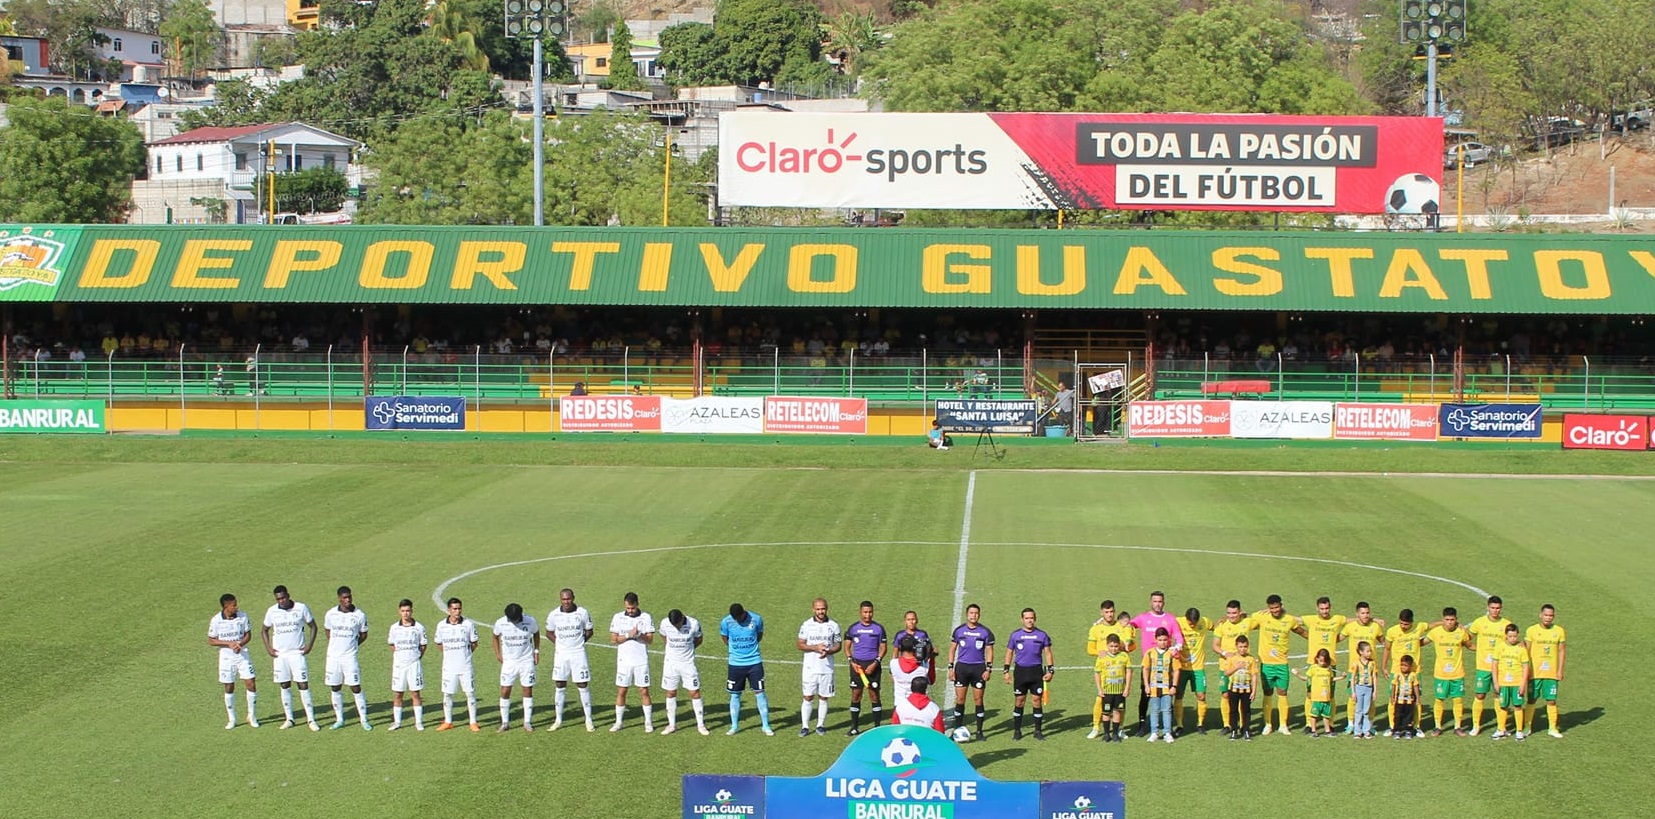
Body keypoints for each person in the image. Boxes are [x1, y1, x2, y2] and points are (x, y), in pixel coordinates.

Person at [261, 584, 320, 731]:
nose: (281, 601)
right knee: (284, 685)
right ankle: (289, 718)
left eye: (283, 598)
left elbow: (313, 626)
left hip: (296, 654)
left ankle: (311, 720)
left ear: (288, 595)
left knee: (303, 684)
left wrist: (309, 646)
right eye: (278, 599)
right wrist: (268, 648)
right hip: (280, 655)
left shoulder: (301, 608)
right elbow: (264, 630)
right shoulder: (272, 611)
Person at [1128, 592, 1183, 735]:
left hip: (1165, 664)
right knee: (1145, 694)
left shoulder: (1170, 619)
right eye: (1155, 601)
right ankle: (1142, 724)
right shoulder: (1143, 618)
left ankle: (1167, 727)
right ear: (1150, 602)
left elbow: (1178, 636)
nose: (1157, 604)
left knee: (1166, 694)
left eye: (1160, 601)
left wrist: (1177, 647)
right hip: (1148, 664)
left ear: (1163, 602)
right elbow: (1128, 625)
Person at [1085, 600, 1137, 738]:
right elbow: (1089, 649)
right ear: (1101, 613)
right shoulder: (1095, 629)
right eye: (1106, 612)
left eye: (1112, 611)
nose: (1109, 614)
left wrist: (1125, 646)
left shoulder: (1122, 626)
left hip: (1119, 668)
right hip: (1104, 670)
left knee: (1120, 702)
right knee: (1100, 699)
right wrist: (1098, 653)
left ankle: (1120, 728)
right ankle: (1096, 727)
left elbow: (1132, 647)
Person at [322, 585, 371, 731]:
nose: (348, 599)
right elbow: (327, 630)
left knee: (355, 687)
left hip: (349, 657)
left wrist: (353, 645)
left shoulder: (359, 615)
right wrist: (335, 645)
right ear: (339, 599)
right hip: (333, 657)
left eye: (349, 596)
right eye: (345, 597)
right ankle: (339, 719)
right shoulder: (331, 614)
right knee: (335, 687)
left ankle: (364, 719)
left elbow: (363, 634)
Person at [546, 588, 595, 732]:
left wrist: (580, 641)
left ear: (573, 598)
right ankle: (558, 719)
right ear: (560, 599)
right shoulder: (554, 614)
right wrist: (559, 643)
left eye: (568, 599)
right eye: (563, 599)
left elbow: (589, 630)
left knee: (582, 684)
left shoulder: (582, 612)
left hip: (578, 653)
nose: (566, 602)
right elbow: (549, 632)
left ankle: (589, 719)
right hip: (561, 654)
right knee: (560, 684)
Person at [720, 602, 773, 736]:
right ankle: (734, 726)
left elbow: (759, 635)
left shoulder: (756, 619)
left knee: (760, 692)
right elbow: (725, 638)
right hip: (735, 664)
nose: (737, 620)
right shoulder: (726, 622)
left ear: (744, 612)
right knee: (735, 694)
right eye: (735, 618)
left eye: (739, 617)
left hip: (754, 662)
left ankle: (766, 725)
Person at [1294, 596, 1345, 734]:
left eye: (1327, 608)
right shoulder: (1310, 619)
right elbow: (1293, 620)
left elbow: (1353, 621)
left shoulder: (1337, 619)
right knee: (1310, 694)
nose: (1324, 611)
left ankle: (1331, 723)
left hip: (1330, 664)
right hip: (1313, 664)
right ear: (1317, 608)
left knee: (1330, 696)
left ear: (1330, 607)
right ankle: (1309, 724)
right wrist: (1273, 612)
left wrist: (1373, 620)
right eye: (1322, 608)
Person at [207, 593, 258, 730]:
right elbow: (211, 640)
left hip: (242, 655)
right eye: (233, 605)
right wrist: (228, 644)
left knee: (251, 683)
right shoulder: (216, 620)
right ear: (226, 606)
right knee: (229, 686)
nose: (236, 607)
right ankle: (232, 719)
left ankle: (252, 716)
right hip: (226, 657)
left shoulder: (243, 616)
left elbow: (248, 635)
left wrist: (240, 643)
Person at [1252, 594, 1300, 735]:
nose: (1275, 610)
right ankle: (1268, 724)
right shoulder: (1261, 616)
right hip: (1266, 664)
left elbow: (1301, 631)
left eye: (1277, 607)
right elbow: (1243, 618)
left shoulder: (1289, 620)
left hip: (1282, 664)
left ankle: (1283, 725)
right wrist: (1225, 618)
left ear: (1281, 605)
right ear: (1268, 608)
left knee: (1282, 693)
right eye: (1272, 608)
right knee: (1268, 693)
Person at [1003, 607, 1053, 741]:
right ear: (1022, 619)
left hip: (1036, 672)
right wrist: (1006, 671)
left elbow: (1047, 653)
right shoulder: (1015, 635)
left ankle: (1038, 731)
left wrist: (1051, 670)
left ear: (1035, 619)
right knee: (1019, 701)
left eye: (1031, 618)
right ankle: (1017, 730)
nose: (1029, 620)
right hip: (1020, 672)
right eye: (1027, 618)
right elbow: (1009, 652)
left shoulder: (1042, 635)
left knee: (1037, 701)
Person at [609, 591, 656, 733]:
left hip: (640, 660)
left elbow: (650, 640)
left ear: (637, 604)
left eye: (632, 608)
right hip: (624, 661)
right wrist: (629, 635)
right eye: (628, 608)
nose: (630, 611)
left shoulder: (646, 617)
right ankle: (618, 722)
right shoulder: (618, 617)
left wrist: (639, 634)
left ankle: (648, 722)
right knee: (622, 690)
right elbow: (613, 640)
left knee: (643, 690)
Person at [660, 608, 711, 736]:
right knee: (670, 692)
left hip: (687, 664)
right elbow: (663, 636)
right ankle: (672, 725)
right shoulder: (665, 623)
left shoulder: (693, 624)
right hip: (670, 664)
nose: (676, 628)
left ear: (682, 618)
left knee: (694, 692)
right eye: (674, 625)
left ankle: (701, 725)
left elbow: (699, 639)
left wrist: (689, 649)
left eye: (677, 625)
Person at [947, 603, 994, 740]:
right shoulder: (959, 631)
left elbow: (990, 651)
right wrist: (950, 668)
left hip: (978, 668)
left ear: (979, 615)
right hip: (962, 668)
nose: (974, 615)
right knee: (960, 699)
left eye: (976, 613)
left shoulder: (985, 632)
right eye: (971, 613)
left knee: (978, 700)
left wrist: (988, 669)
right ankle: (956, 730)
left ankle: (979, 731)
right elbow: (952, 649)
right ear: (967, 614)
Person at [1424, 606, 1473, 737]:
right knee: (1439, 699)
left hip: (1457, 673)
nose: (1449, 622)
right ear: (1443, 619)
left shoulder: (1461, 633)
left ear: (1456, 620)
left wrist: (1486, 650)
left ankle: (1458, 727)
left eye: (1452, 619)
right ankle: (1437, 727)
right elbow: (1422, 642)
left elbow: (1470, 646)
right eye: (1447, 619)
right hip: (1441, 674)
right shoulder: (1436, 632)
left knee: (1457, 700)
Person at [796, 598, 842, 737]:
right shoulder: (806, 625)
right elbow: (800, 644)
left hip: (826, 668)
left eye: (823, 609)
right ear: (813, 609)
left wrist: (829, 651)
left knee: (824, 697)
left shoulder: (834, 626)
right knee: (808, 696)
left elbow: (838, 645)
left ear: (826, 609)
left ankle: (820, 725)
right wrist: (815, 648)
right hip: (810, 668)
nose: (820, 611)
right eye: (818, 609)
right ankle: (805, 726)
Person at [433, 597, 480, 732]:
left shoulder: (468, 625)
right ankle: (448, 721)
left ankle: (473, 722)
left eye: (459, 608)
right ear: (449, 610)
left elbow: (474, 643)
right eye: (454, 609)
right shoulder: (441, 625)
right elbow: (439, 643)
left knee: (470, 693)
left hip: (465, 666)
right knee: (447, 694)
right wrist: (449, 655)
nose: (457, 611)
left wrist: (465, 655)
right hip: (449, 667)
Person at [491, 602, 539, 732]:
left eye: (515, 619)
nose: (513, 622)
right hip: (509, 662)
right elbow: (495, 636)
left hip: (526, 661)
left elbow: (536, 633)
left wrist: (536, 651)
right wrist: (498, 654)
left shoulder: (530, 621)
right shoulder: (501, 622)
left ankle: (527, 722)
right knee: (505, 690)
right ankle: (505, 722)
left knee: (527, 690)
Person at [1467, 595, 1510, 737]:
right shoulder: (1479, 622)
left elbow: (1511, 643)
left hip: (1500, 668)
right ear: (1488, 607)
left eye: (1498, 608)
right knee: (1480, 695)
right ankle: (1475, 726)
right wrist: (1475, 648)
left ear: (1501, 608)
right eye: (1492, 608)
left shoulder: (1506, 624)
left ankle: (1501, 727)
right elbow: (1467, 638)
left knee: (1499, 695)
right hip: (1483, 667)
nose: (1495, 611)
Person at [1339, 602, 1386, 734]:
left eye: (1367, 613)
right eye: (1363, 613)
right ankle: (1351, 724)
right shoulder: (1350, 627)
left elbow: (1385, 642)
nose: (1365, 615)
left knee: (1370, 699)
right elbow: (1337, 638)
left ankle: (1369, 725)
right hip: (1354, 669)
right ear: (1357, 614)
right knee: (1352, 698)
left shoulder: (1375, 627)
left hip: (1371, 670)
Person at [843, 601, 888, 736]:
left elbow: (883, 648)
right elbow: (846, 647)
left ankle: (877, 727)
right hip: (857, 666)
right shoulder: (853, 628)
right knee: (856, 695)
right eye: (865, 612)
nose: (868, 615)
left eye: (870, 612)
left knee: (874, 695)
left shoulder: (879, 629)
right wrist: (852, 662)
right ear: (860, 612)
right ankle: (854, 727)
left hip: (873, 665)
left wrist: (876, 663)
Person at [1209, 600, 1253, 734]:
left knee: (1242, 694)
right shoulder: (1221, 626)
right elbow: (1215, 645)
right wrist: (1224, 653)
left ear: (1239, 612)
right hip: (1225, 667)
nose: (1231, 616)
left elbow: (1262, 620)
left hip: (1243, 668)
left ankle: (1242, 725)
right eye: (1228, 613)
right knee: (1225, 694)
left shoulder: (1247, 622)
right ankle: (1227, 725)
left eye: (1234, 613)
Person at [1383, 608, 1428, 736]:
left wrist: (1448, 623)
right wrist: (1384, 666)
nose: (1403, 626)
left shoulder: (1419, 628)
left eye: (1406, 624)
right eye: (1401, 623)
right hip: (1396, 670)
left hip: (1415, 671)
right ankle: (1392, 726)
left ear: (1412, 622)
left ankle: (1417, 726)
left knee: (1415, 698)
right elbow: (1387, 649)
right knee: (1393, 698)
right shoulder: (1392, 631)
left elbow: (1433, 625)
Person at [1524, 604, 1567, 738]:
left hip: (1551, 673)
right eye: (1546, 615)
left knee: (1551, 700)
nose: (1548, 618)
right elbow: (1526, 650)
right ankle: (1527, 727)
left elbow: (1561, 651)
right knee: (1531, 700)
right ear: (1540, 615)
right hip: (1535, 673)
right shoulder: (1531, 630)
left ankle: (1553, 728)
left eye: (1551, 615)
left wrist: (1560, 670)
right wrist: (1526, 671)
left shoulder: (1559, 631)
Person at [386, 599, 428, 731]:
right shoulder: (394, 628)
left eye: (408, 611)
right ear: (399, 611)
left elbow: (423, 645)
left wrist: (416, 656)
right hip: (399, 666)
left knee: (415, 693)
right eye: (403, 611)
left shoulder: (419, 627)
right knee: (398, 693)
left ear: (412, 611)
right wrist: (400, 656)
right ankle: (397, 722)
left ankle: (418, 722)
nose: (405, 614)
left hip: (414, 664)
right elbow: (392, 644)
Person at [1490, 623, 1531, 741]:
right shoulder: (1499, 647)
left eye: (1515, 636)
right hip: (1503, 683)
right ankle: (1501, 729)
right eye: (1510, 636)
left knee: (1517, 706)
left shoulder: (1521, 650)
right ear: (1506, 636)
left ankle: (1519, 731)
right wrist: (1496, 682)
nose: (1513, 639)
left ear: (1518, 635)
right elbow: (1494, 666)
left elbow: (1525, 667)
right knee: (1503, 706)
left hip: (1517, 683)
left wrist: (1523, 684)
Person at [1175, 607, 1212, 735]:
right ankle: (1179, 725)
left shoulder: (1204, 622)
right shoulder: (1178, 622)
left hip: (1198, 668)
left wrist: (1224, 619)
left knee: (1201, 695)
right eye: (1190, 623)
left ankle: (1200, 724)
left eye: (1195, 623)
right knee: (1178, 695)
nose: (1193, 625)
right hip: (1181, 667)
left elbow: (1217, 626)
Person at [1090, 633, 1132, 742]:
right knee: (1106, 712)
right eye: (1111, 646)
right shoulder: (1102, 657)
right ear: (1107, 645)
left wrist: (1127, 688)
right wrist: (1099, 689)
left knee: (1117, 711)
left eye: (1116, 646)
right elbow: (1097, 673)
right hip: (1107, 690)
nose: (1113, 649)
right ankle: (1106, 734)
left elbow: (1128, 671)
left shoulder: (1124, 656)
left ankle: (1115, 734)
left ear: (1119, 645)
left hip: (1119, 691)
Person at [1292, 649, 1343, 737]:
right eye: (1320, 660)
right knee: (1314, 715)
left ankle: (1327, 731)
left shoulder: (1328, 669)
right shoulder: (1313, 668)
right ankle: (1313, 731)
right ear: (1317, 658)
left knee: (1326, 716)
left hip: (1326, 698)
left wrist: (1341, 677)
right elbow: (1306, 679)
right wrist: (1297, 674)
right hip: (1316, 698)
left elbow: (1331, 679)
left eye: (1324, 661)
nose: (1322, 663)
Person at [1142, 627, 1180, 743]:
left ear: (1168, 640)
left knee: (1167, 710)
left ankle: (1167, 732)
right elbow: (1145, 669)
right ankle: (1154, 732)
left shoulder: (1172, 653)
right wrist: (1146, 685)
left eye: (1165, 640)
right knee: (1154, 710)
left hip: (1167, 688)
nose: (1162, 642)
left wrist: (1174, 686)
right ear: (1155, 639)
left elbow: (1177, 670)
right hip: (1153, 687)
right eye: (1160, 640)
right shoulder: (1149, 653)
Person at [1221, 635, 1261, 740]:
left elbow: (1254, 676)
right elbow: (1226, 673)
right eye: (1240, 646)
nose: (1242, 649)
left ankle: (1246, 730)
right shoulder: (1232, 659)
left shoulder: (1251, 659)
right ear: (1236, 646)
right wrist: (1236, 667)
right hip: (1233, 689)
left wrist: (1254, 691)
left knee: (1246, 710)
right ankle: (1234, 730)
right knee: (1233, 710)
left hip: (1246, 689)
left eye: (1245, 646)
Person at [1349, 641, 1380, 739]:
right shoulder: (1356, 663)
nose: (1369, 653)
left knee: (1366, 710)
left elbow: (1374, 677)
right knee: (1358, 710)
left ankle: (1366, 730)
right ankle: (1357, 731)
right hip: (1359, 687)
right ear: (1360, 652)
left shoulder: (1372, 663)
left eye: (1370, 651)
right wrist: (1353, 692)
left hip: (1369, 688)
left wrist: (1375, 691)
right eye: (1367, 651)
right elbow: (1353, 678)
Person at [1392, 655, 1422, 739]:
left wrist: (1418, 698)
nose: (1403, 667)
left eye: (1405, 665)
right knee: (1398, 715)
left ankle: (1408, 731)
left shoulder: (1413, 675)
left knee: (1409, 716)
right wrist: (1392, 697)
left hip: (1409, 700)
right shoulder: (1398, 674)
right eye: (1402, 665)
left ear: (1410, 666)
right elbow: (1394, 685)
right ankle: (1397, 731)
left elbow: (1415, 686)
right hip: (1399, 700)